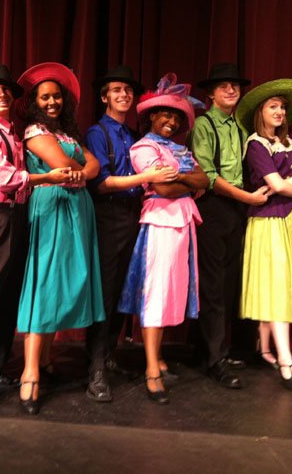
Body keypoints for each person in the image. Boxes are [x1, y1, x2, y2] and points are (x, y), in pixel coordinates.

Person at [0, 64, 73, 423]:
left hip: (18, 217)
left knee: (8, 296)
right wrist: (46, 177)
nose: (2, 95)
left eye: (6, 90)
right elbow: (4, 177)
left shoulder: (14, 131)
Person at [15, 62, 105, 415]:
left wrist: (79, 170)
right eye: (45, 97)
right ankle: (30, 374)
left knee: (63, 283)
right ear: (36, 102)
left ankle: (47, 360)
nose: (52, 102)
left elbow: (92, 167)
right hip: (51, 208)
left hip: (78, 209)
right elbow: (61, 164)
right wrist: (79, 169)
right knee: (45, 283)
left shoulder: (69, 133)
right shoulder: (34, 131)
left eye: (56, 97)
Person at [118, 73, 209, 405]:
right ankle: (151, 368)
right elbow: (164, 187)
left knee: (172, 293)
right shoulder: (143, 147)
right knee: (155, 295)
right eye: (165, 114)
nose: (170, 120)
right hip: (160, 224)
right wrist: (187, 181)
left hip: (183, 225)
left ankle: (157, 358)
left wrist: (183, 179)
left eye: (176, 116)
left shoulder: (180, 150)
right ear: (151, 116)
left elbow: (204, 180)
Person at [84, 65, 160, 403]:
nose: (124, 95)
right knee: (106, 290)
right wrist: (146, 179)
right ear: (104, 96)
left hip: (134, 216)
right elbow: (102, 184)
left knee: (126, 289)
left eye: (128, 90)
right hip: (109, 216)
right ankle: (95, 368)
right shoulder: (98, 133)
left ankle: (110, 353)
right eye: (117, 89)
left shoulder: (133, 136)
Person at [188, 63, 264, 389]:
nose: (231, 90)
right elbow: (209, 176)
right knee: (214, 285)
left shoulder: (241, 129)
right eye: (223, 86)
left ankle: (218, 349)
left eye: (234, 85)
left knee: (230, 282)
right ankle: (214, 359)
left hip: (236, 210)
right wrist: (246, 197)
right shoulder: (203, 125)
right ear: (211, 93)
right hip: (213, 207)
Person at [235, 79, 292, 392]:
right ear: (260, 112)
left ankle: (264, 347)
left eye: (282, 106)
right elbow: (277, 185)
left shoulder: (289, 144)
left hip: (289, 221)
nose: (280, 111)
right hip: (267, 222)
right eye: (273, 106)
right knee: (276, 286)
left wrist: (290, 185)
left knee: (280, 282)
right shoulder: (256, 145)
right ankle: (285, 360)